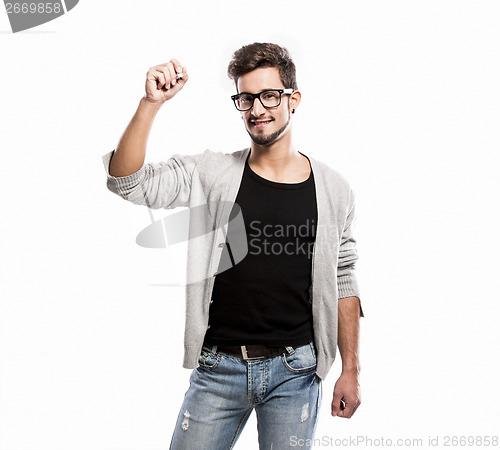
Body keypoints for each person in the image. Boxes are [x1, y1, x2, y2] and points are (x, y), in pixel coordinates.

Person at [102, 42, 364, 449]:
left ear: (293, 99)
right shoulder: (211, 173)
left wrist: (351, 369)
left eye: (269, 95)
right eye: (246, 98)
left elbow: (343, 278)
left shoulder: (333, 189)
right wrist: (150, 104)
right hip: (218, 368)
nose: (257, 108)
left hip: (295, 371)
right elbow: (127, 181)